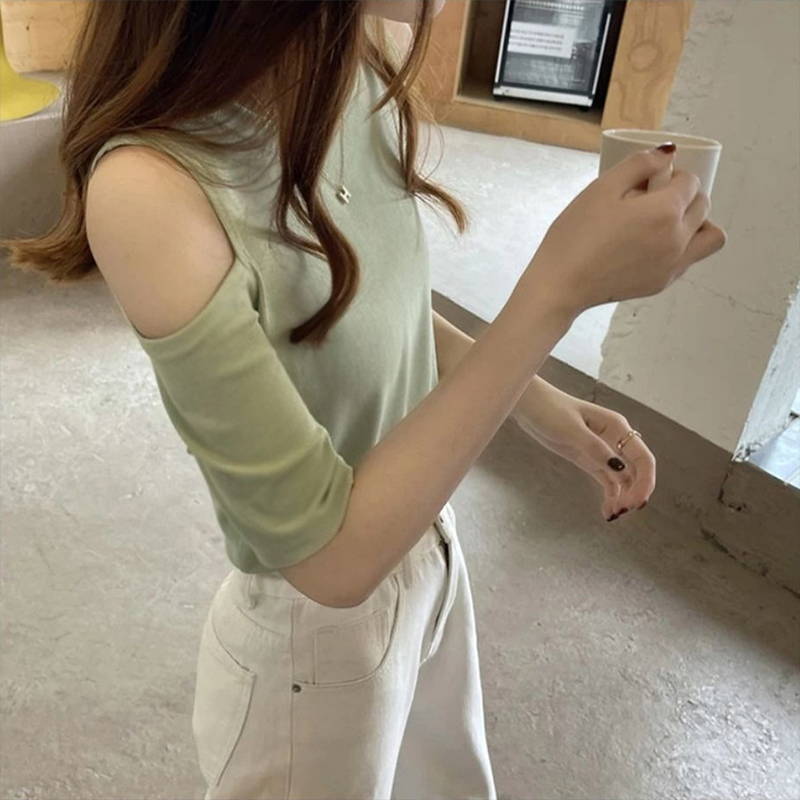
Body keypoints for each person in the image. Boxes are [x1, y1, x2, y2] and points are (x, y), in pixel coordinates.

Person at [0, 0, 726, 797]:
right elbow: (330, 558)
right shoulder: (151, 188)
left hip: (429, 550)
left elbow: (370, 300)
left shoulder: (355, 69)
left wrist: (534, 401)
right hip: (314, 648)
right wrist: (555, 297)